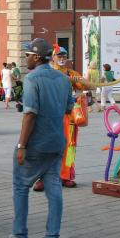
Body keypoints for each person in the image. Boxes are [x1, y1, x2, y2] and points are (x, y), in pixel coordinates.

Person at [0, 37, 74, 238]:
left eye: (28, 54)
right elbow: (69, 109)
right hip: (57, 141)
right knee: (54, 188)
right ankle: (52, 237)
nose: (26, 58)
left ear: (37, 57)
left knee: (21, 186)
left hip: (36, 143)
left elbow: (29, 114)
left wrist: (22, 145)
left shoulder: (32, 79)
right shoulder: (63, 79)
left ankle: (20, 233)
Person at [33, 46, 91, 191]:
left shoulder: (72, 73)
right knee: (47, 146)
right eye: (59, 56)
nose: (62, 58)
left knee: (69, 146)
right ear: (52, 57)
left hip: (68, 115)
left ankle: (66, 176)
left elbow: (88, 87)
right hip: (49, 115)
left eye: (64, 56)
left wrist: (86, 79)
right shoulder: (46, 72)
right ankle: (43, 178)